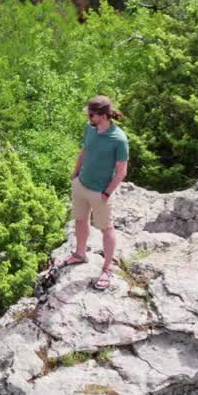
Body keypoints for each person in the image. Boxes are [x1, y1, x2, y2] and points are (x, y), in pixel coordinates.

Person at [57, 95, 128, 290]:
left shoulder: (118, 139)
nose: (88, 117)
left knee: (106, 229)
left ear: (104, 116)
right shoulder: (90, 128)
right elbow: (85, 151)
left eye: (91, 114)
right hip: (81, 185)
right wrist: (75, 174)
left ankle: (107, 269)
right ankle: (80, 254)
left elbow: (122, 171)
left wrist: (106, 193)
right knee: (80, 220)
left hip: (100, 192)